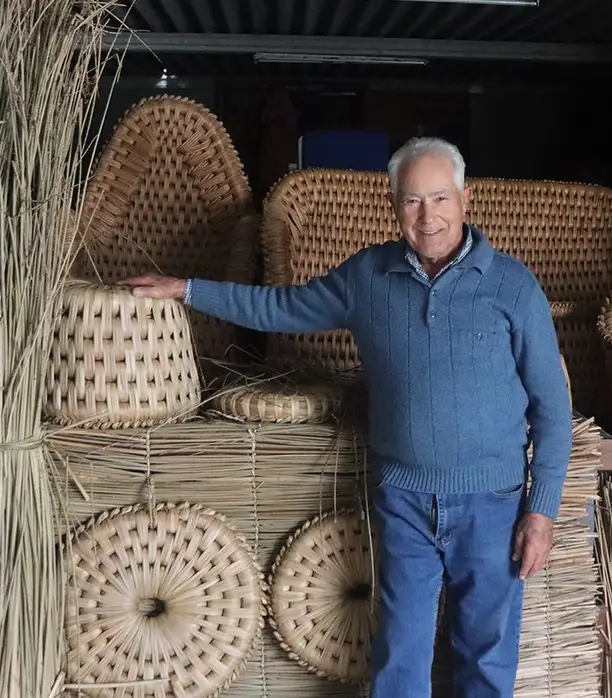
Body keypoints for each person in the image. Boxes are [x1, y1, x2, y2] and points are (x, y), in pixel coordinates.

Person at [120, 136, 573, 698]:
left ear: (465, 199)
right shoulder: (368, 276)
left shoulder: (512, 285)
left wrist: (542, 511)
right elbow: (278, 309)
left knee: (485, 655)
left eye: (440, 198)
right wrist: (186, 289)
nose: (427, 216)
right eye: (411, 201)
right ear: (393, 205)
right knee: (399, 655)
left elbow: (553, 409)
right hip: (404, 500)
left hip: (494, 504)